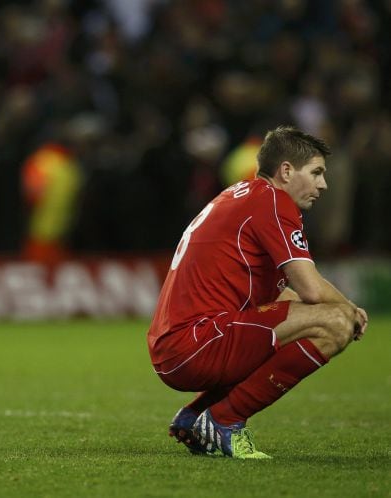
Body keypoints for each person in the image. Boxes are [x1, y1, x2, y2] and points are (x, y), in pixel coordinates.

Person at [147, 126, 369, 459]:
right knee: (334, 323)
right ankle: (225, 420)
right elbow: (309, 288)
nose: (323, 184)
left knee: (313, 318)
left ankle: (198, 415)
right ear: (286, 171)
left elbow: (279, 299)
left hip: (180, 343)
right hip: (198, 342)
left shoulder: (241, 194)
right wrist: (350, 310)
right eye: (317, 173)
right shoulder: (272, 201)